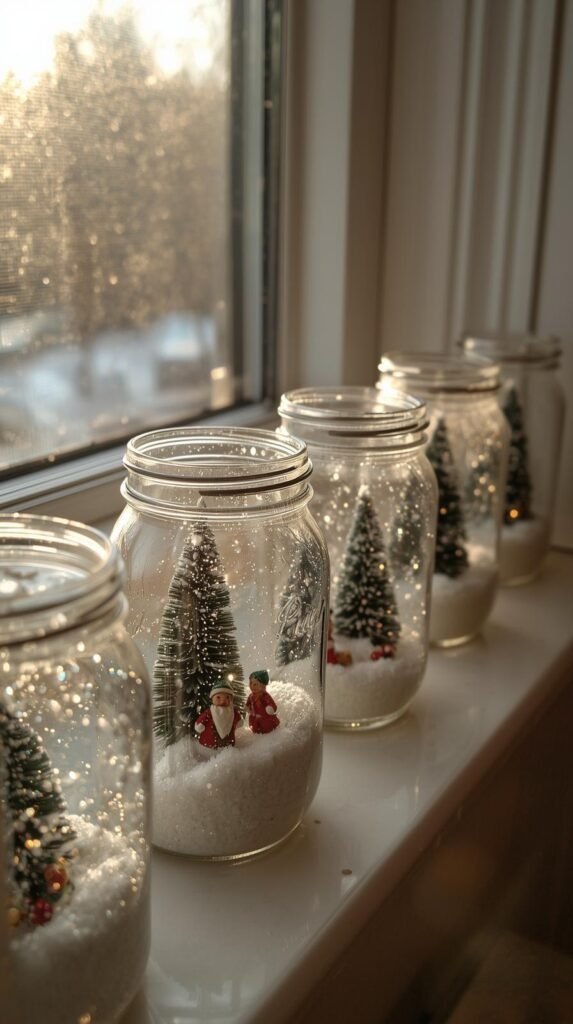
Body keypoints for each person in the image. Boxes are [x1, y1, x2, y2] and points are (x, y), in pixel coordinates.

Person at [194, 683, 243, 749]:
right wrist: (200, 724)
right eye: (218, 697)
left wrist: (239, 721)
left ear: (231, 699)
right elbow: (203, 718)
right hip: (208, 745)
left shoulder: (233, 711)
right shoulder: (210, 712)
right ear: (212, 699)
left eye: (227, 697)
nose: (223, 701)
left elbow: (238, 720)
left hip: (229, 746)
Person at [246, 670, 280, 734]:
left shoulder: (265, 696)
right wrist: (247, 707)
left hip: (265, 718)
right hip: (255, 719)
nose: (252, 686)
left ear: (263, 685)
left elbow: (273, 706)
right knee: (256, 729)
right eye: (250, 683)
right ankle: (257, 733)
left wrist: (270, 708)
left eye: (255, 684)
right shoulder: (251, 696)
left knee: (267, 727)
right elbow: (248, 704)